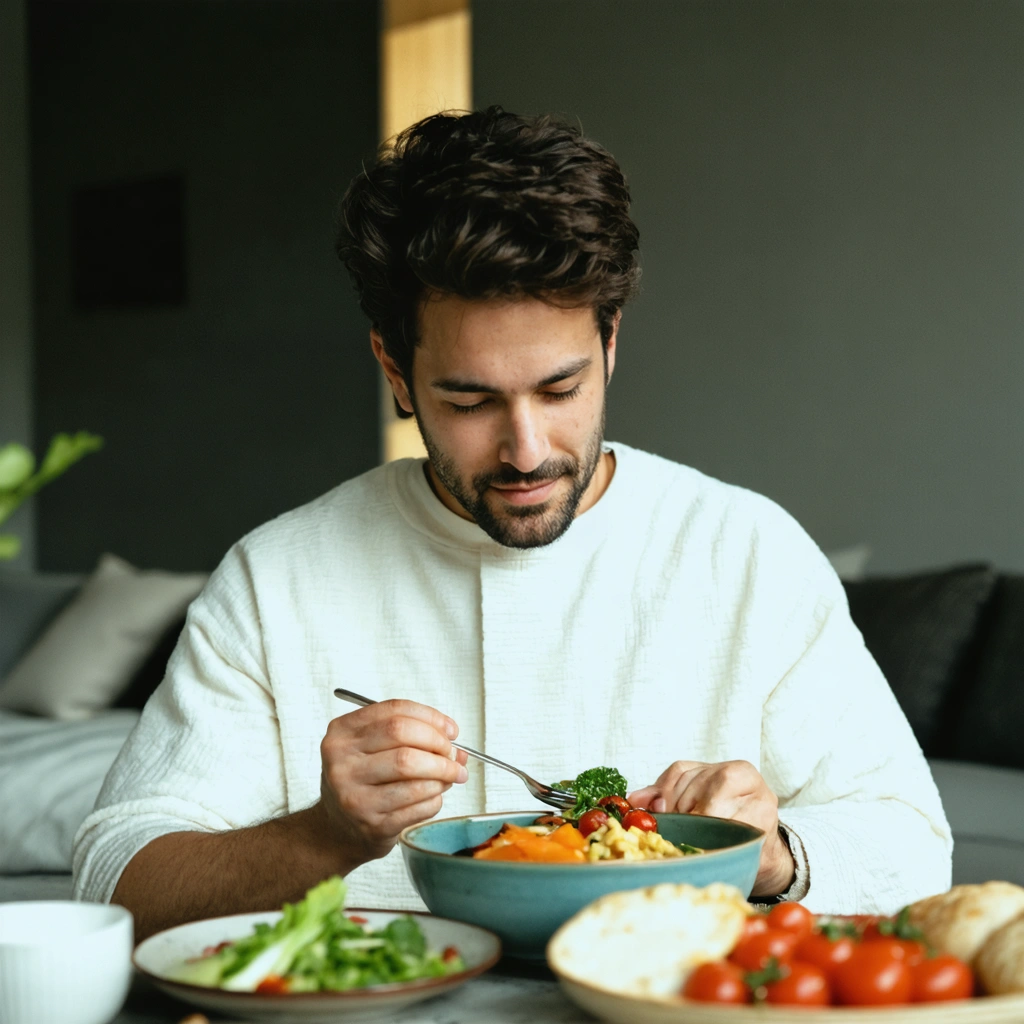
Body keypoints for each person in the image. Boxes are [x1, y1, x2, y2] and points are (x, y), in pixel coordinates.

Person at [73, 107, 951, 941]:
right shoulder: (278, 577)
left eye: (561, 390)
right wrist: (324, 837)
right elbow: (115, 877)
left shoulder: (748, 552)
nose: (526, 451)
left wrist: (769, 857)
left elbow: (915, 848)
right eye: (469, 399)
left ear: (610, 343)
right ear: (396, 369)